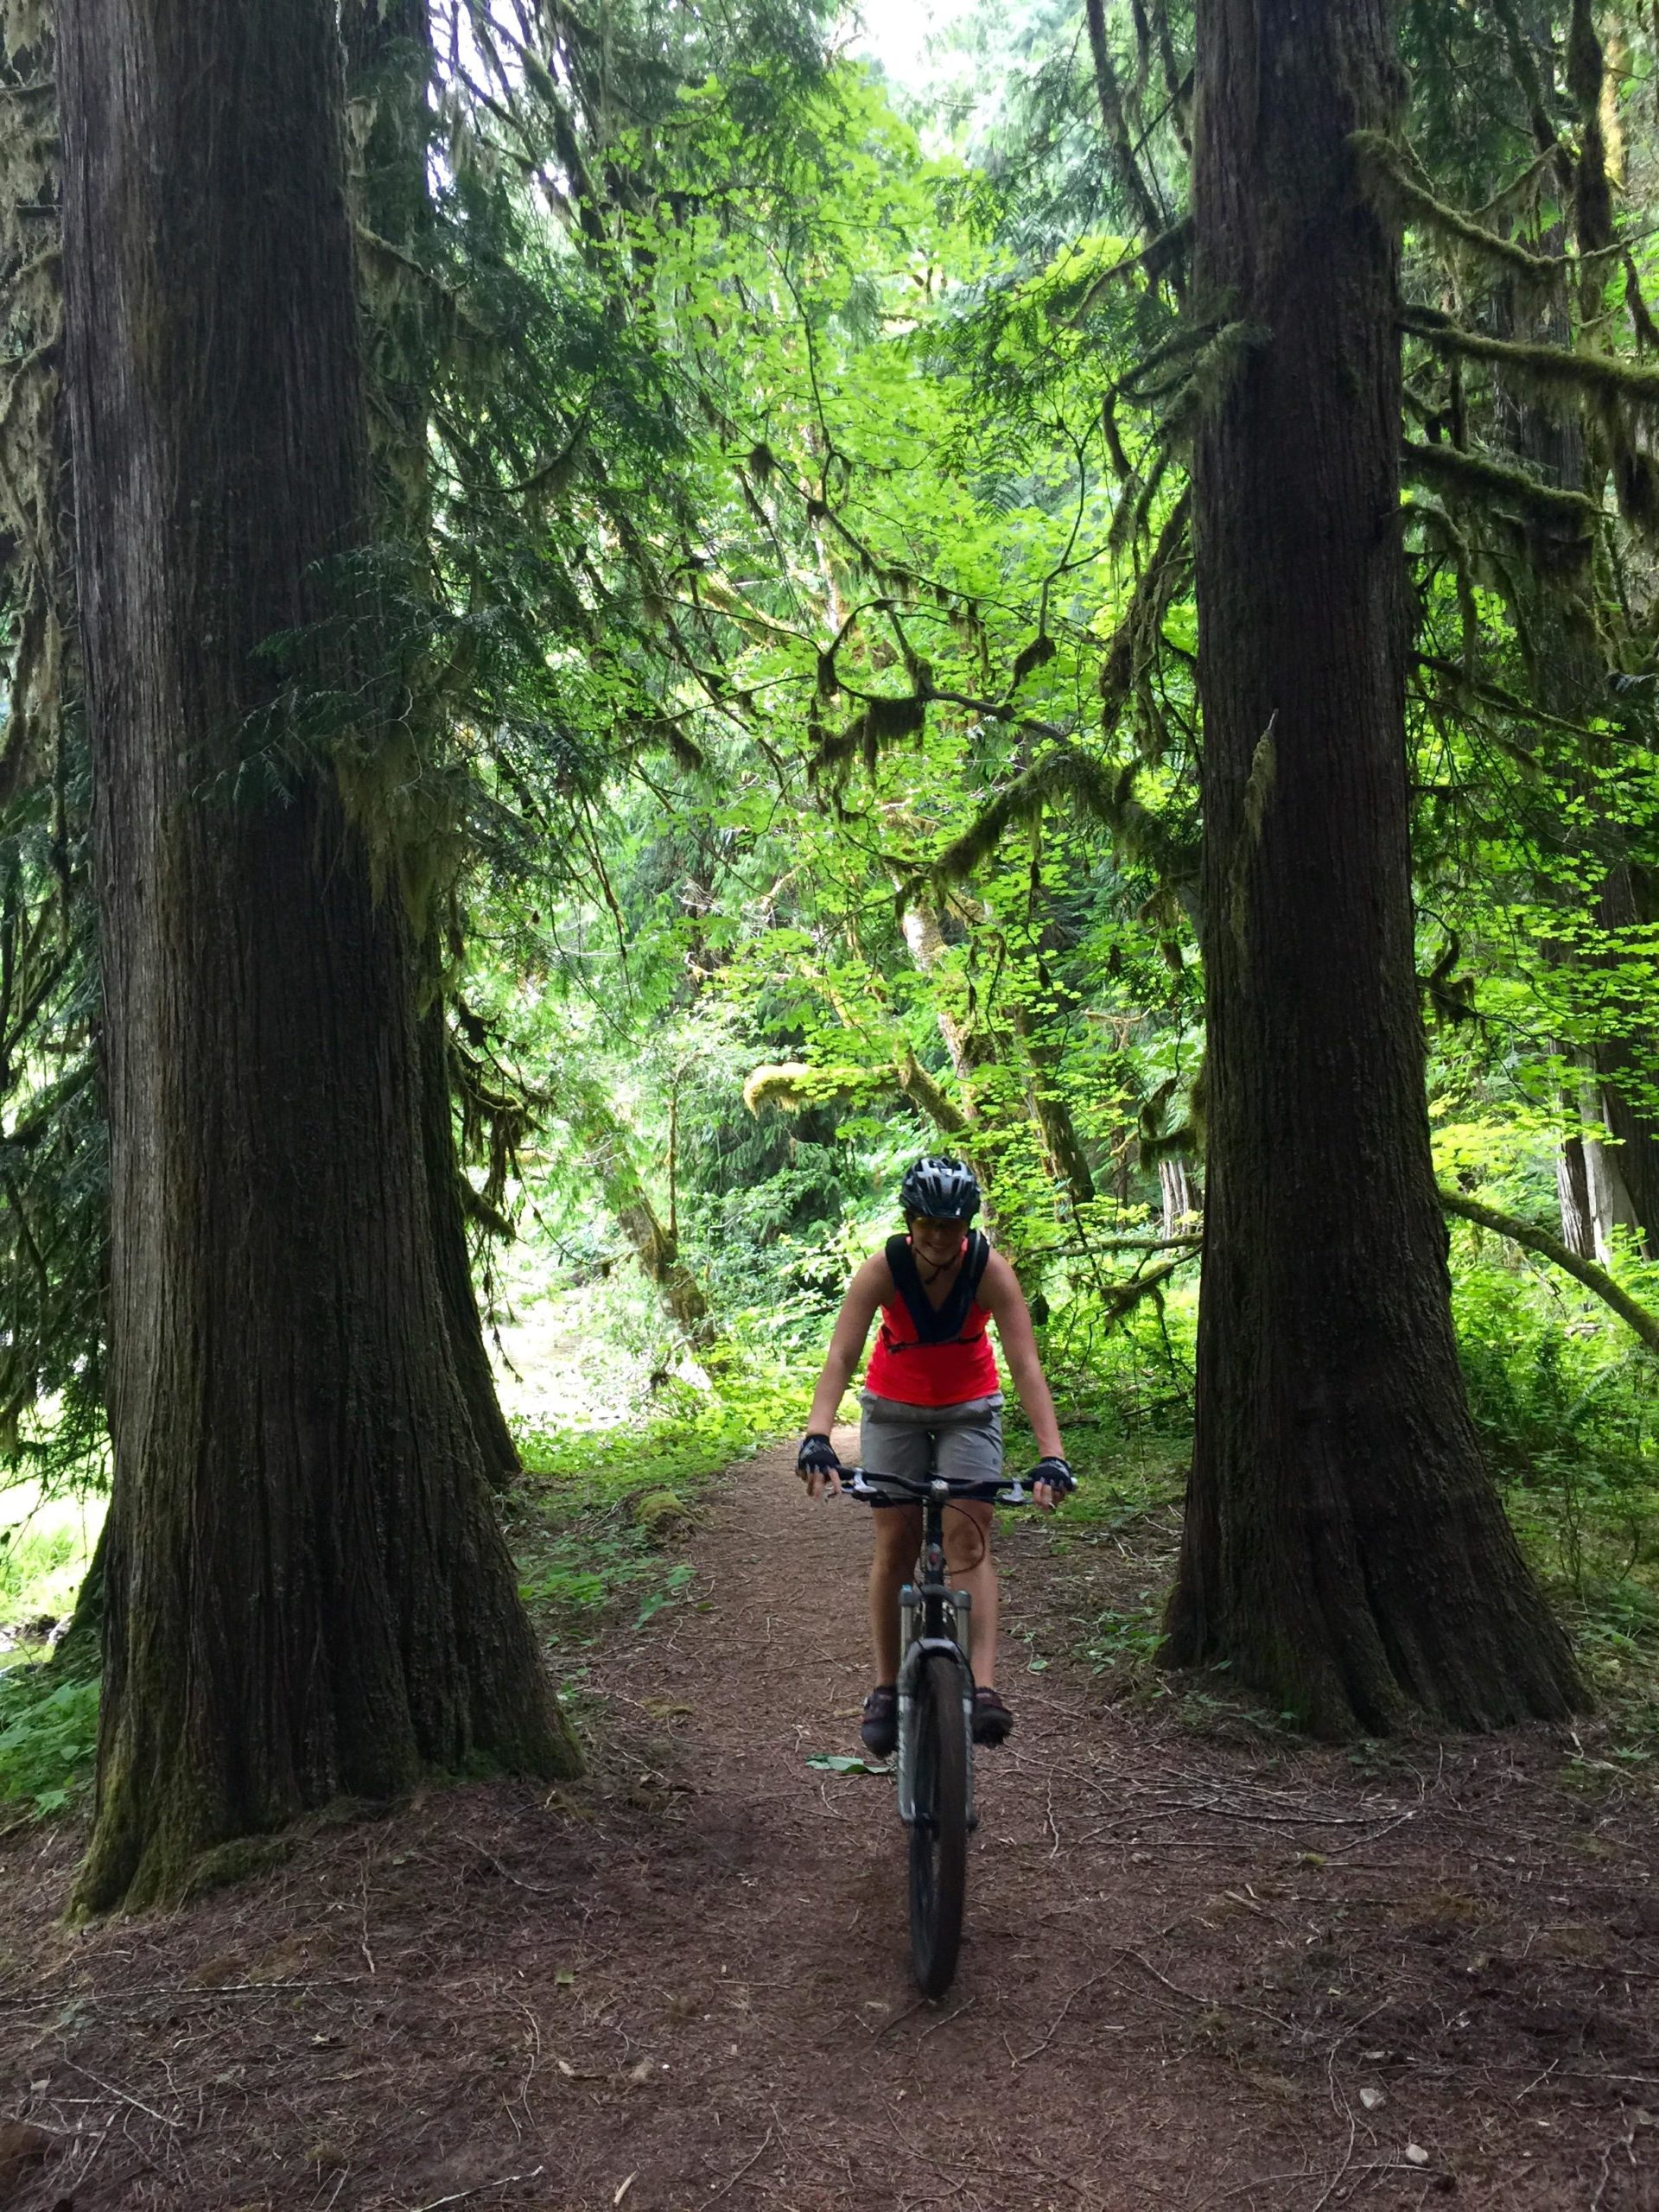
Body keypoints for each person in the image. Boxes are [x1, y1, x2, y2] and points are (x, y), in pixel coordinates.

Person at [796, 1155, 1072, 1757]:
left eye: (952, 1225)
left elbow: (1025, 1363)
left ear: (968, 1225)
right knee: (895, 1544)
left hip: (970, 1409)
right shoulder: (884, 1269)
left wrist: (1052, 1453)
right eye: (928, 1224)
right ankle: (886, 1687)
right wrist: (818, 1434)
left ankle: (985, 1687)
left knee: (968, 1541)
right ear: (910, 1220)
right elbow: (842, 1356)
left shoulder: (988, 1269)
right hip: (892, 1409)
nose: (940, 1237)